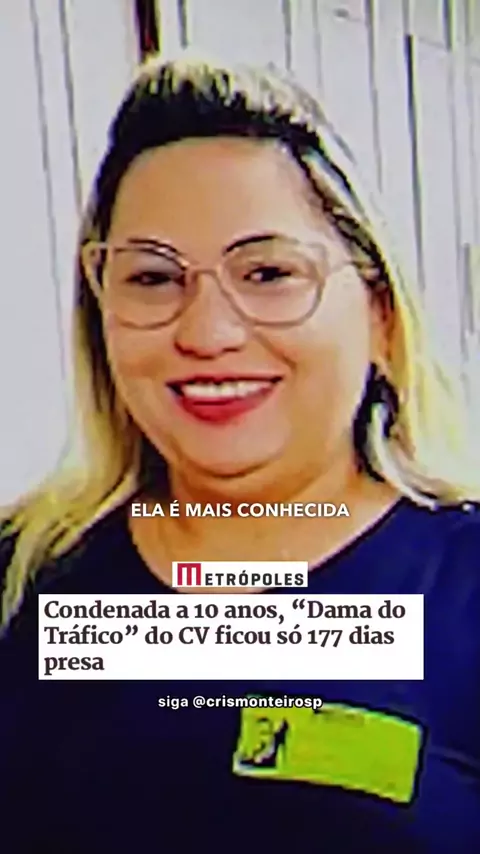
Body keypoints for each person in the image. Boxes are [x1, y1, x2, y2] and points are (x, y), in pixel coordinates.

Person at [1, 50, 479, 854]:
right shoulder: (20, 581)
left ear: (380, 314)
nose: (208, 331)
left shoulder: (463, 592)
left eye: (268, 272)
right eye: (154, 278)